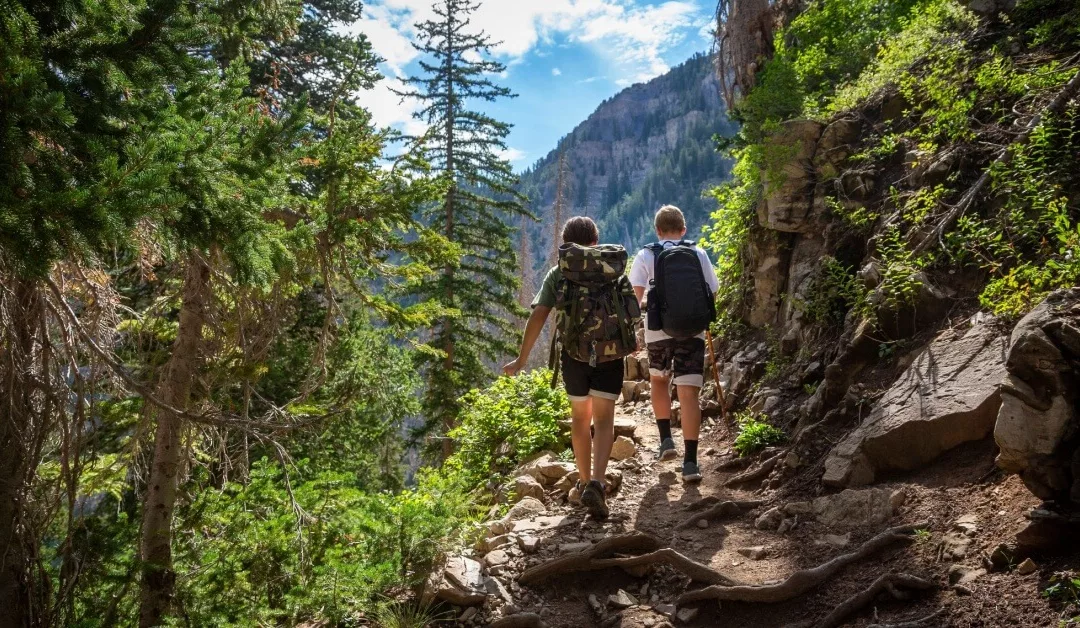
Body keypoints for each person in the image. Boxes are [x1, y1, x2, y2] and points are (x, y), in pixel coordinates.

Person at [503, 216, 634, 519]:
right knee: (603, 421)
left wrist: (522, 359)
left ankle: (585, 480)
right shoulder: (613, 268)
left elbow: (538, 316)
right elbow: (631, 313)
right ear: (595, 241)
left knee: (579, 418)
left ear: (565, 243)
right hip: (609, 355)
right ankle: (598, 486)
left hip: (574, 357)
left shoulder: (558, 273)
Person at [628, 205, 719, 483]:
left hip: (657, 330)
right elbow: (712, 290)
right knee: (689, 393)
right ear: (683, 229)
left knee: (658, 381)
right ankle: (691, 462)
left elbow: (635, 297)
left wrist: (633, 330)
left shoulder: (646, 254)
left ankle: (666, 439)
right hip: (692, 329)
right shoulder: (697, 252)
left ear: (657, 230)